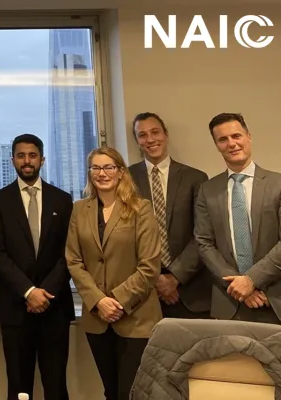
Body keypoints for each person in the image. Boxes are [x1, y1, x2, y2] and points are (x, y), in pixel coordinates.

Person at [65, 146, 162, 400]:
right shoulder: (79, 209)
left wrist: (116, 301)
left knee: (131, 392)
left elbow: (149, 266)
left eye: (109, 167)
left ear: (121, 172)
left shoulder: (140, 208)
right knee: (110, 391)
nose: (102, 173)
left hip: (136, 317)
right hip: (97, 319)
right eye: (96, 168)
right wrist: (99, 301)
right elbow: (74, 261)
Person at [0, 134, 74, 400]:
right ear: (12, 159)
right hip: (15, 307)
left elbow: (70, 253)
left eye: (32, 155)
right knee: (18, 387)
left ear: (42, 160)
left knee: (56, 386)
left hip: (54, 306)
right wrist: (28, 291)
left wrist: (44, 293)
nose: (27, 161)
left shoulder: (62, 200)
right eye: (21, 155)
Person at [195, 113, 281, 324]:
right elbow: (204, 243)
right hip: (229, 303)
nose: (231, 143)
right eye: (223, 139)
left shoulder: (278, 184)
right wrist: (238, 286)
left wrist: (252, 280)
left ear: (248, 136)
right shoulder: (207, 190)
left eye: (236, 136)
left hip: (273, 299)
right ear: (217, 145)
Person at [127, 113, 211, 319]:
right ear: (137, 141)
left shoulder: (196, 178)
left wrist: (174, 277)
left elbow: (203, 234)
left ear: (165, 134)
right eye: (142, 135)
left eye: (155, 132)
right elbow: (123, 236)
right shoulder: (125, 179)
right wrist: (154, 280)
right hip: (142, 292)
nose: (150, 139)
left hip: (190, 291)